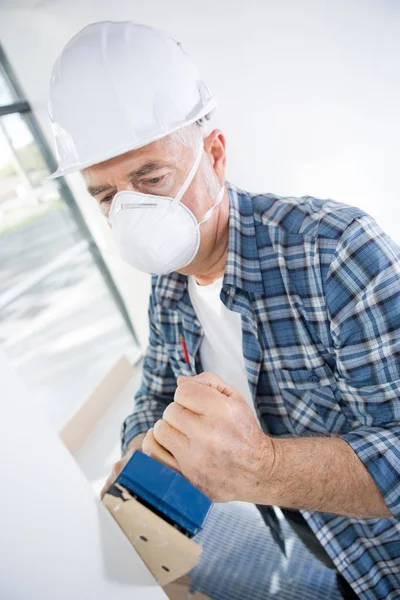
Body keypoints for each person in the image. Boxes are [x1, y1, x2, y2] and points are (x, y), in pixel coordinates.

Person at [48, 21, 400, 600]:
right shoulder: (169, 283)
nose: (132, 212)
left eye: (150, 178)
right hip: (323, 542)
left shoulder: (336, 254)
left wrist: (261, 468)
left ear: (213, 154)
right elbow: (152, 399)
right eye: (108, 197)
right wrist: (145, 452)